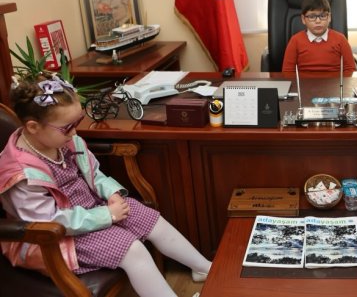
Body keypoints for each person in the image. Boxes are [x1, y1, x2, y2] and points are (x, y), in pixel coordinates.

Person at [0, 74, 211, 297]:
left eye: (77, 122)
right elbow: (50, 222)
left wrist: (111, 193)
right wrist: (107, 215)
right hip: (57, 237)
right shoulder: (21, 173)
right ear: (33, 127)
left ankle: (203, 268)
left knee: (149, 219)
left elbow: (94, 173)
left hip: (93, 211)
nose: (75, 132)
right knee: (132, 249)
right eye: (67, 127)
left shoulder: (64, 141)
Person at [281, 0, 355, 73]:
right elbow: (287, 71)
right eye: (312, 16)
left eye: (323, 16)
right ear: (303, 19)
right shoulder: (295, 41)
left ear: (329, 17)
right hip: (305, 81)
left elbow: (350, 69)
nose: (318, 21)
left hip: (334, 81)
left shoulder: (340, 39)